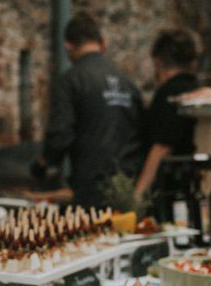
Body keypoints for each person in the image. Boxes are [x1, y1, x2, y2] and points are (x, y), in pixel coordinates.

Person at [34, 12, 144, 207]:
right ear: (103, 42)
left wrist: (43, 164)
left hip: (92, 186)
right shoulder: (127, 82)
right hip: (129, 183)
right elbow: (143, 131)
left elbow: (60, 135)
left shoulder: (71, 80)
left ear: (68, 44)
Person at [134, 29, 199, 196]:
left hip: (170, 188)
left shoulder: (169, 93)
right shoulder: (196, 89)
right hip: (193, 183)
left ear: (158, 62)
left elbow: (162, 147)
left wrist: (137, 196)